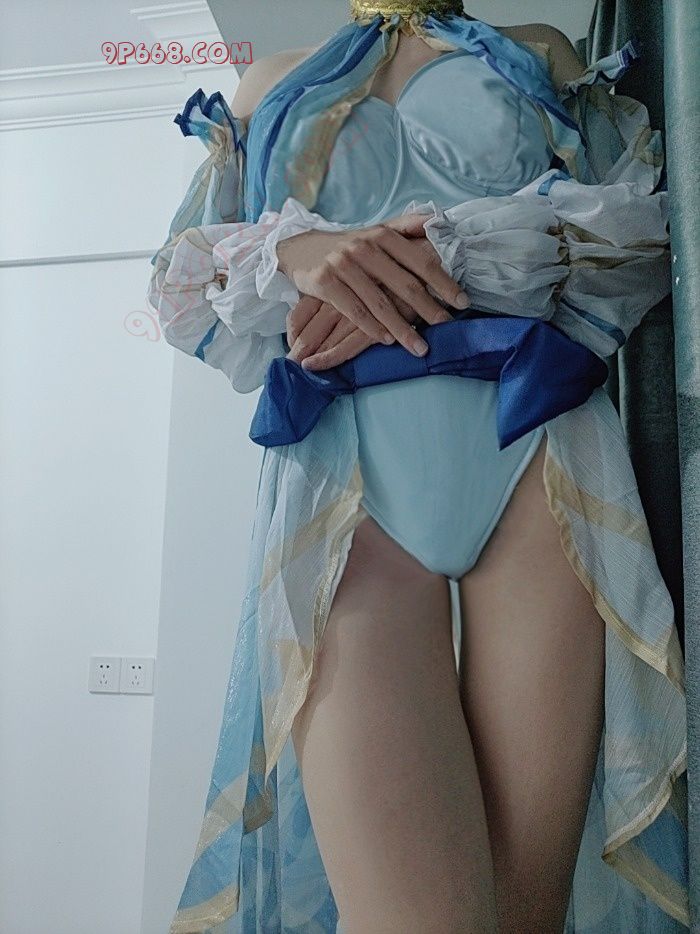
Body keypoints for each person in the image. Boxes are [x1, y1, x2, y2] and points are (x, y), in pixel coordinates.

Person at [146, 2, 689, 931]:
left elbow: (644, 237)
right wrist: (301, 252)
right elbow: (182, 287)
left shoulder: (543, 53)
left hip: (540, 471)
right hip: (346, 503)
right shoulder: (268, 84)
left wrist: (439, 255)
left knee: (522, 916)